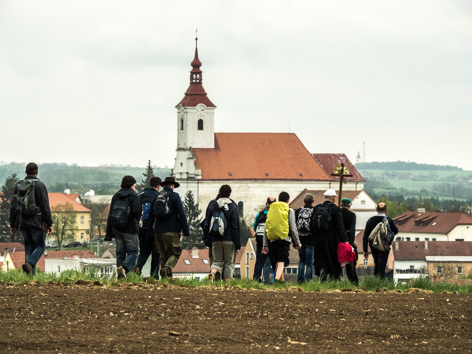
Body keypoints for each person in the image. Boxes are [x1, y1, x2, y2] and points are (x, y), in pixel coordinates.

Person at [9, 162, 53, 275]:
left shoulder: (18, 185)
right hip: (36, 222)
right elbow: (45, 206)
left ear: (25, 172)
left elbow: (13, 206)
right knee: (40, 246)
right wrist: (49, 223)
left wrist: (13, 224)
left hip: (22, 222)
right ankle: (30, 263)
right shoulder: (40, 186)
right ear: (37, 172)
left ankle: (29, 276)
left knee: (28, 247)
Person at [147, 176, 189, 279]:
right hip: (172, 230)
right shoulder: (174, 196)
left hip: (158, 232)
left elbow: (151, 216)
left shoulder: (157, 197)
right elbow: (181, 214)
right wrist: (186, 231)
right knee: (175, 253)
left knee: (163, 255)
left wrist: (149, 231)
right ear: (173, 186)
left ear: (163, 185)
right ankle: (166, 268)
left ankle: (167, 279)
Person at [105, 175, 141, 279]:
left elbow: (110, 214)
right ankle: (124, 268)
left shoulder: (116, 195)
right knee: (133, 252)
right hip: (129, 229)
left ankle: (120, 277)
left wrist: (108, 233)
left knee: (120, 253)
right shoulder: (133, 196)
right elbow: (136, 212)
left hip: (116, 229)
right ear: (132, 185)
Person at [262, 192, 301, 283]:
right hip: (284, 238)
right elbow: (293, 227)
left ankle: (282, 282)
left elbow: (266, 226)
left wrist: (265, 243)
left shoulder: (272, 209)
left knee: (277, 262)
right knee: (281, 261)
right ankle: (276, 280)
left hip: (272, 238)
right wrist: (297, 241)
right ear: (288, 200)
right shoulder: (289, 210)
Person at [312, 189, 349, 281]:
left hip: (319, 239)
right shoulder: (336, 209)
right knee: (332, 259)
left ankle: (322, 278)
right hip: (332, 239)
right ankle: (334, 279)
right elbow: (340, 226)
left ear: (325, 197)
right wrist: (344, 240)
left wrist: (314, 237)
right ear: (333, 198)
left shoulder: (316, 208)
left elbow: (311, 225)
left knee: (320, 259)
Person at [208, 185, 241, 283]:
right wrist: (237, 243)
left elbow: (207, 223)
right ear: (229, 194)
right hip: (229, 240)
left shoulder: (212, 205)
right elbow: (235, 227)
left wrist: (210, 240)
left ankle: (212, 273)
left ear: (219, 192)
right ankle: (227, 285)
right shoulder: (232, 206)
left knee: (217, 262)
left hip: (215, 239)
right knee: (228, 264)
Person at [134, 176, 162, 277]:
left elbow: (136, 212)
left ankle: (138, 267)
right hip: (155, 229)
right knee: (155, 254)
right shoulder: (159, 196)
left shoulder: (140, 196)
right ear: (158, 187)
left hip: (142, 229)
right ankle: (154, 276)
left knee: (144, 252)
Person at [363, 202, 398, 279]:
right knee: (382, 265)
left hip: (373, 245)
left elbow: (366, 236)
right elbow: (395, 231)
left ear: (376, 209)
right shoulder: (388, 220)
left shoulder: (370, 220)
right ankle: (381, 282)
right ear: (386, 210)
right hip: (385, 245)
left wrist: (365, 250)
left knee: (376, 263)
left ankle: (376, 281)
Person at [251, 197, 275, 284]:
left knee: (260, 261)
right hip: (272, 239)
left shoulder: (260, 214)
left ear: (266, 203)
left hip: (260, 238)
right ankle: (273, 280)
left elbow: (254, 226)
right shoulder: (274, 214)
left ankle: (256, 279)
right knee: (273, 261)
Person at [295, 193, 315, 284]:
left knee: (301, 260)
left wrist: (295, 240)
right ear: (313, 201)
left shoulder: (298, 211)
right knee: (309, 262)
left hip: (300, 240)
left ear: (304, 200)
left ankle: (300, 279)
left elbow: (294, 225)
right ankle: (308, 280)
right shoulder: (315, 211)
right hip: (311, 240)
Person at [340, 198, 359, 284]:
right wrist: (350, 243)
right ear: (349, 205)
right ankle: (353, 283)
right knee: (350, 266)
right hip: (347, 242)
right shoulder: (352, 215)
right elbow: (352, 231)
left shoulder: (337, 213)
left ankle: (335, 281)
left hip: (337, 242)